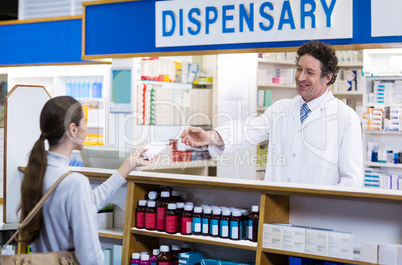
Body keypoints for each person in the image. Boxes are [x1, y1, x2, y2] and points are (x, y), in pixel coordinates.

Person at [181, 40, 363, 187]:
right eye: (299, 69)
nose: (300, 77)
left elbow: (351, 180)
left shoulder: (345, 117)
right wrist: (210, 136)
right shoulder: (281, 109)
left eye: (309, 72)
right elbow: (247, 130)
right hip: (277, 207)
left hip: (319, 213)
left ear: (328, 77)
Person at [18, 96, 154, 265]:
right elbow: (90, 257)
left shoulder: (36, 174)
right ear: (73, 129)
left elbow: (90, 201)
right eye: (85, 122)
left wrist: (128, 165)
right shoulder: (74, 183)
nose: (87, 129)